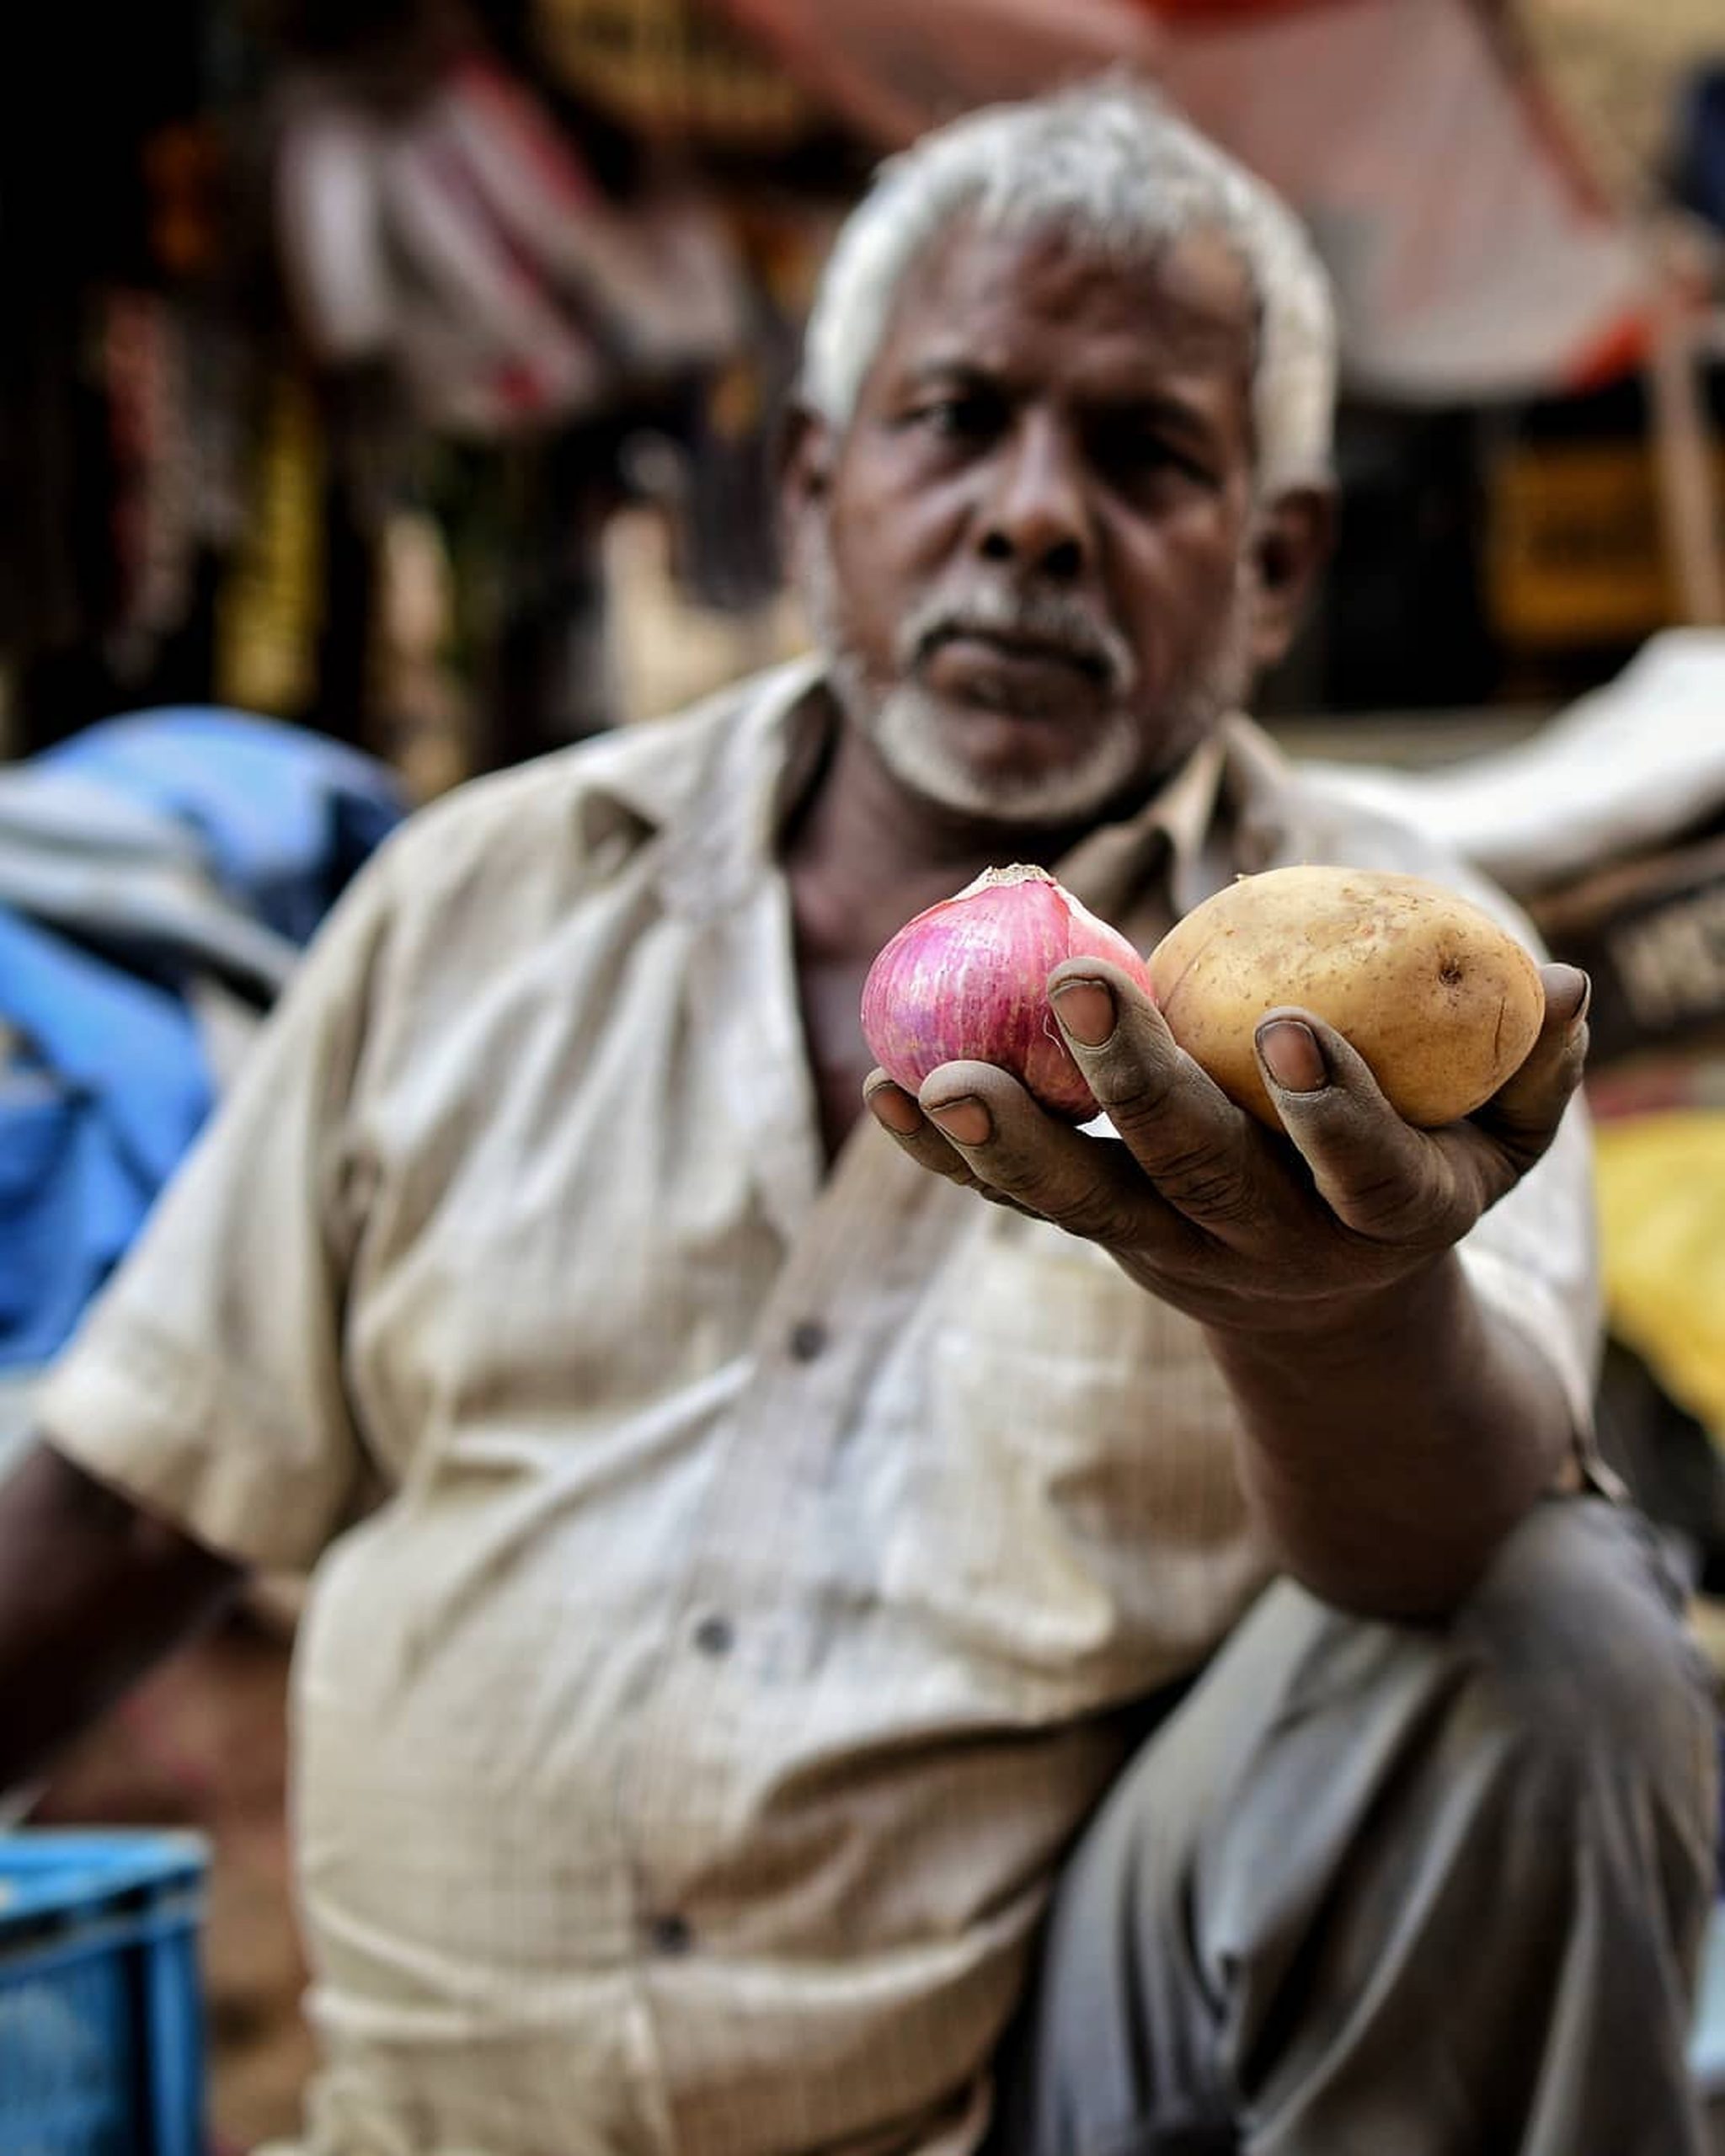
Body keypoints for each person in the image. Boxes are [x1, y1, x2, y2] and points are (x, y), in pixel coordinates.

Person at [0, 82, 1715, 2156]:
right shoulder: (479, 896)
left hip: (1035, 2095)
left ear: (1277, 566)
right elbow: (133, 1493)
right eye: (955, 419)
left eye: (1145, 452)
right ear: (810, 489)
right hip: (433, 2114)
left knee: (1566, 1632)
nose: (1032, 515)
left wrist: (1330, 1314)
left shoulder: (1370, 981)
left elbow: (1454, 1547)